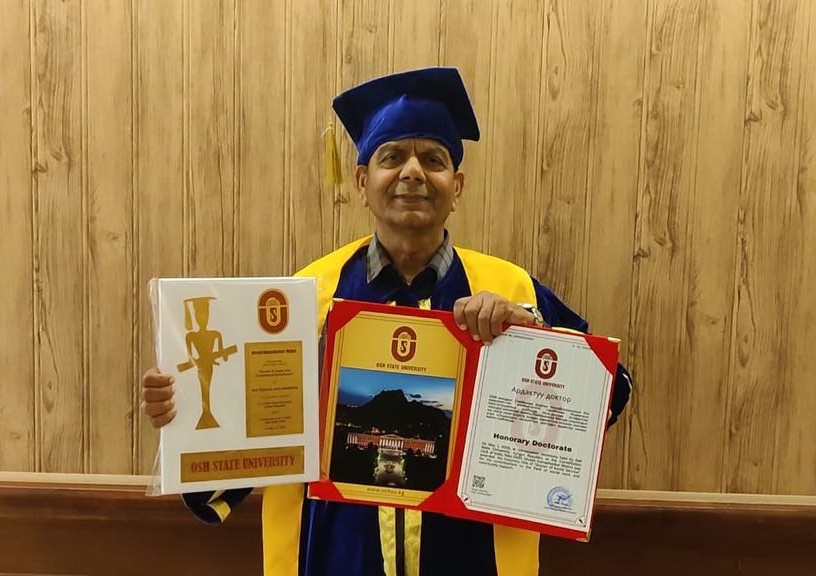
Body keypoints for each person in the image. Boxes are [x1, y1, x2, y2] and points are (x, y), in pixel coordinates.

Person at [141, 67, 633, 576]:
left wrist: (533, 340)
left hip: (473, 558)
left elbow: (611, 391)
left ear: (457, 186)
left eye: (434, 160)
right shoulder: (304, 300)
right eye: (392, 157)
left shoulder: (511, 291)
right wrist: (186, 408)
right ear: (362, 181)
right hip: (332, 556)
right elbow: (236, 449)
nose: (413, 172)